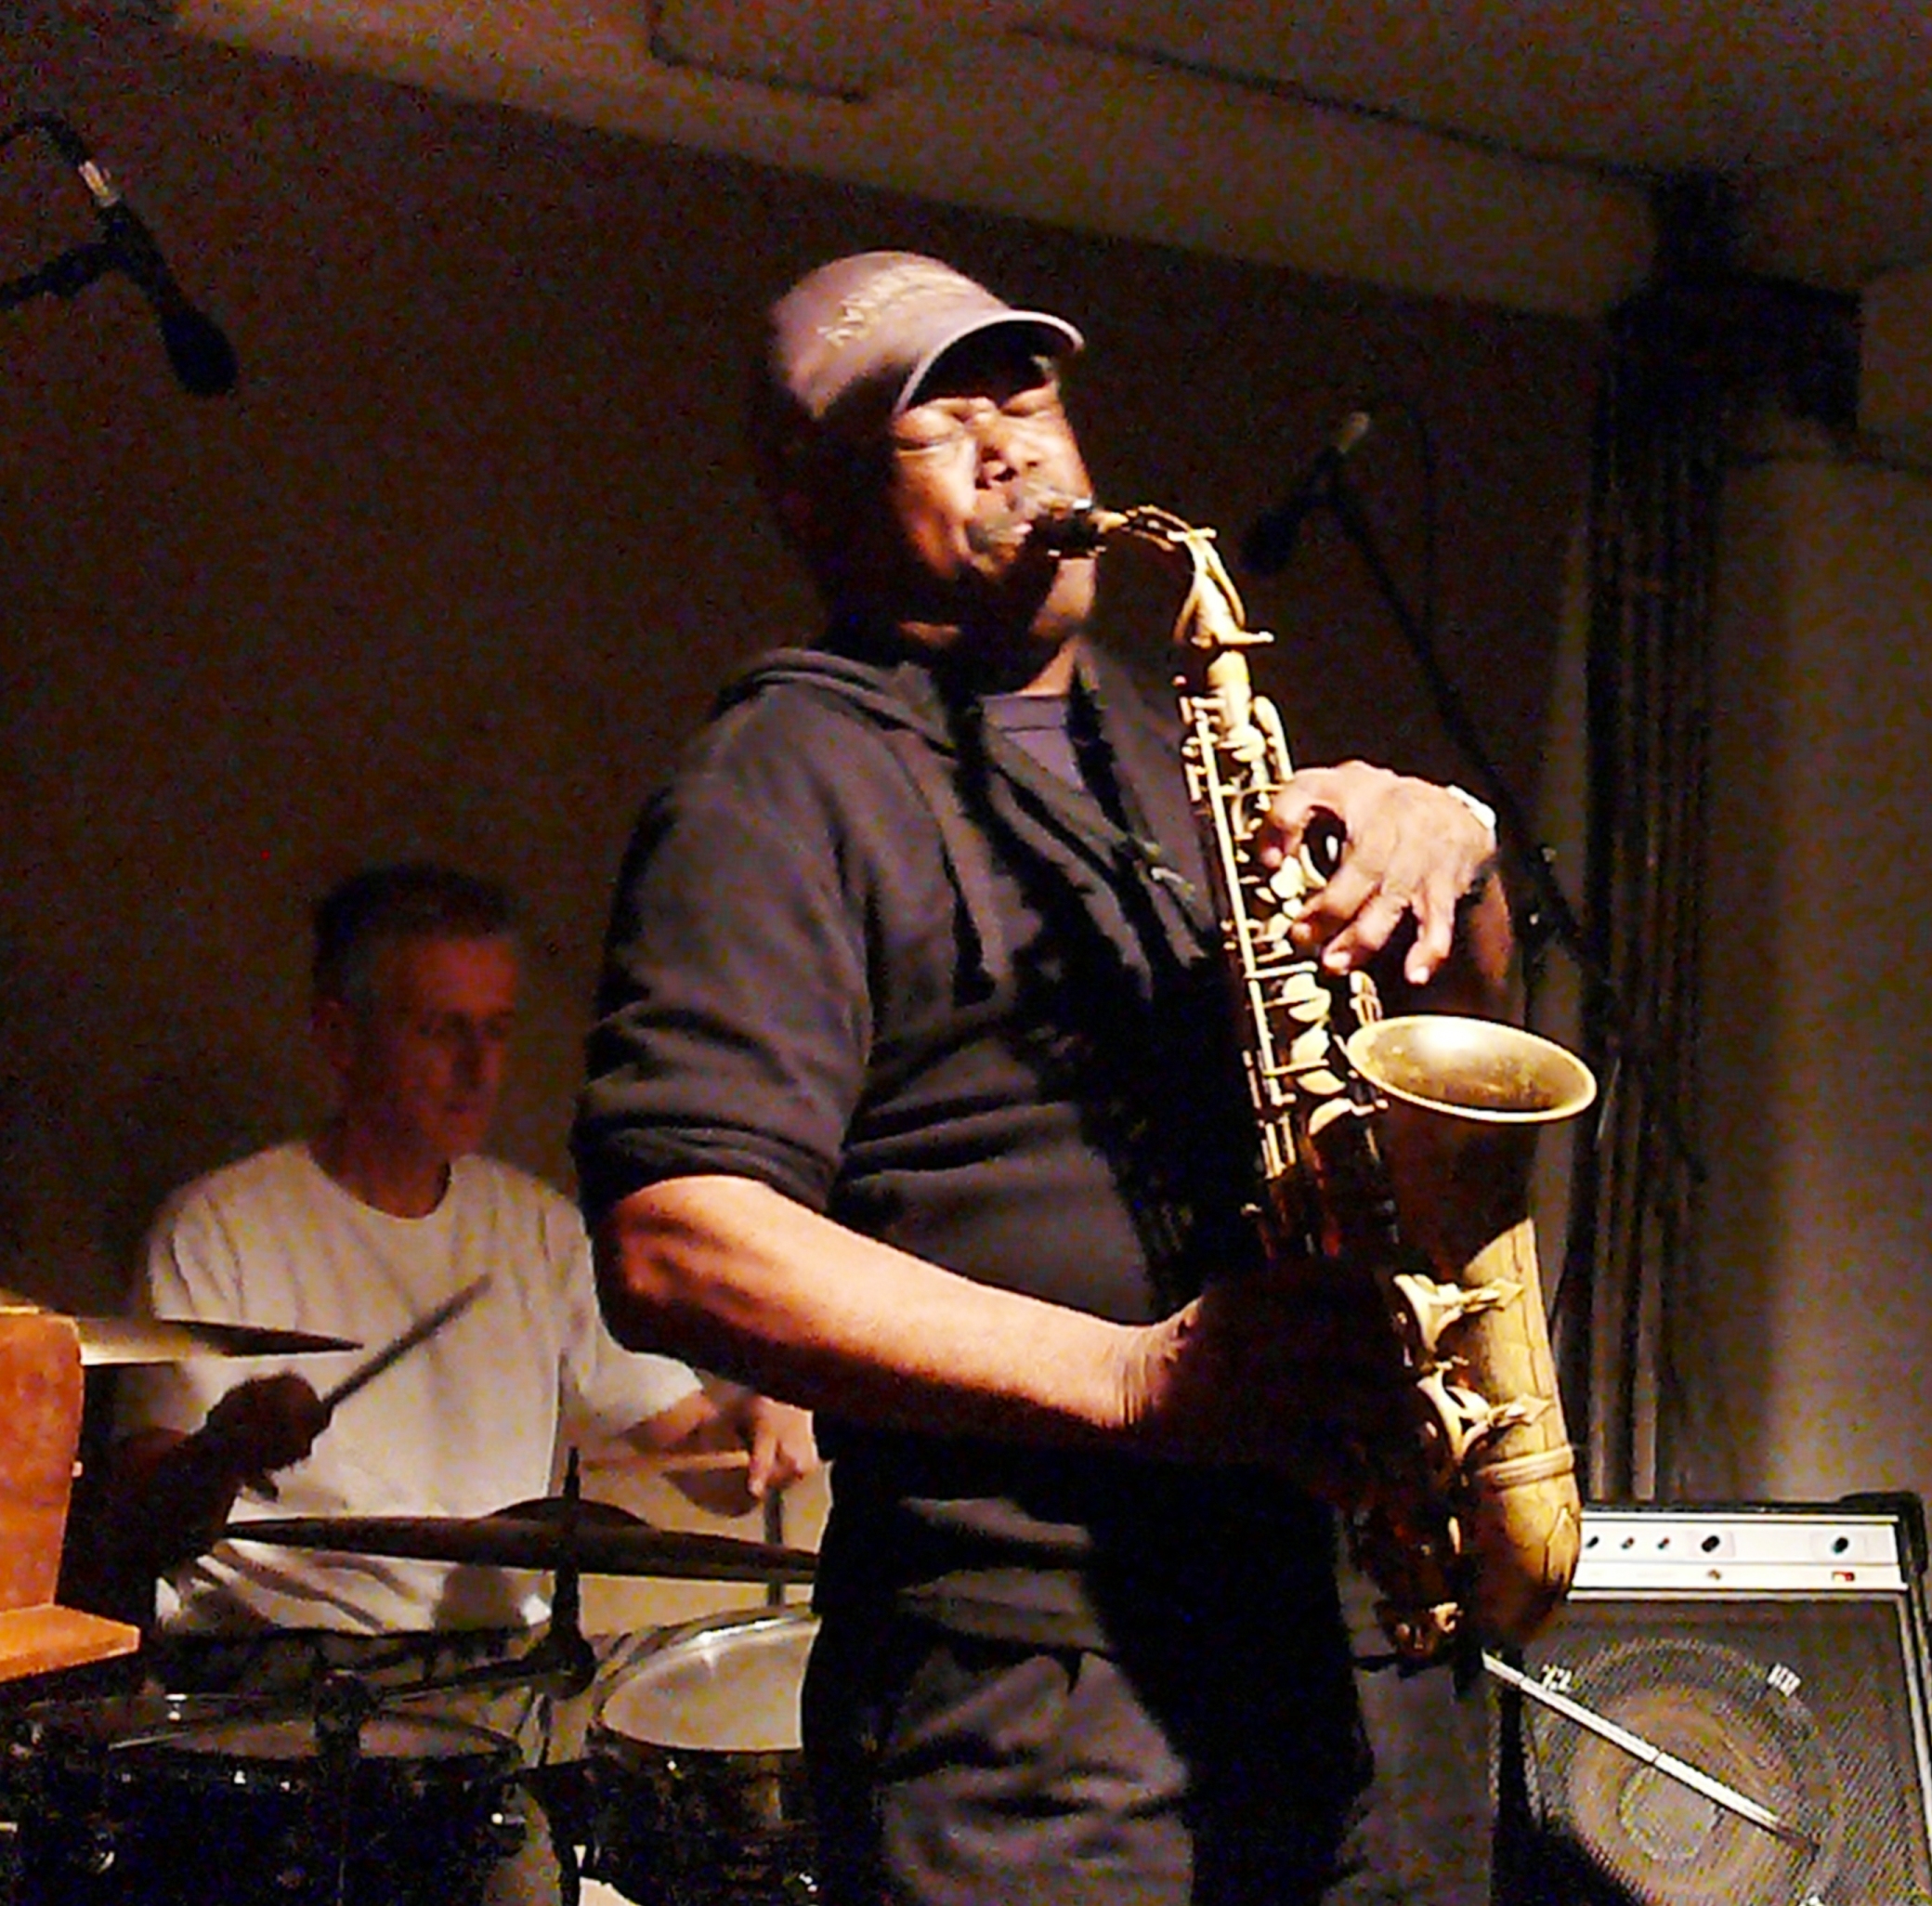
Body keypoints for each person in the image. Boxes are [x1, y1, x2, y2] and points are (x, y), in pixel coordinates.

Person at [572, 250, 1515, 1903]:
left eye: (1025, 389)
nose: (1011, 444)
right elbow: (676, 1237)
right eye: (931, 421)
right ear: (810, 505)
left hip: (1359, 1665)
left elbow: (1436, 1077)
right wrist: (1135, 1379)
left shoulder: (1176, 743)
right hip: (1047, 1721)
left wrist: (1455, 864)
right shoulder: (778, 782)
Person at [109, 861, 818, 1904]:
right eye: (440, 1031)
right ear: (340, 1037)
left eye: (496, 1029)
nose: (478, 1069)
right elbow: (136, 1524)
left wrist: (760, 1411)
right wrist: (224, 1449)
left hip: (491, 1696)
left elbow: (703, 1461)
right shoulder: (221, 1228)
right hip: (273, 1695)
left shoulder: (531, 1229)